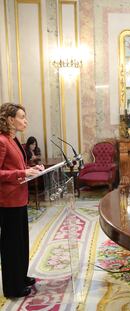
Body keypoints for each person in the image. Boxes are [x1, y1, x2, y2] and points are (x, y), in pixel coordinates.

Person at [0, 103, 44, 298]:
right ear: (10, 119)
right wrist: (22, 172)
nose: (25, 120)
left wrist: (33, 170)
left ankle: (20, 276)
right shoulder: (1, 141)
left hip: (20, 198)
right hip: (7, 201)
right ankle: (12, 287)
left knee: (21, 242)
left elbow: (18, 165)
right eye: (22, 116)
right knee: (11, 246)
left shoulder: (14, 139)